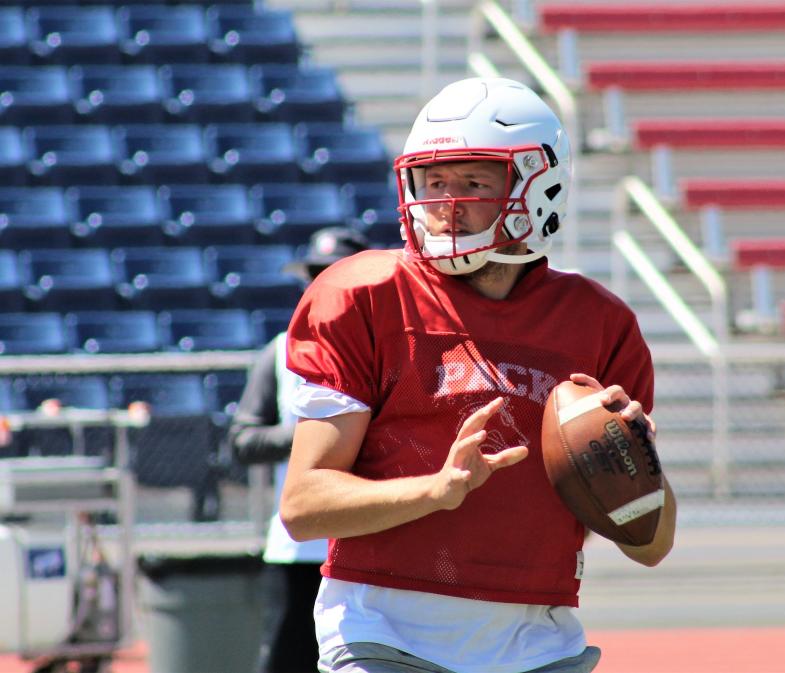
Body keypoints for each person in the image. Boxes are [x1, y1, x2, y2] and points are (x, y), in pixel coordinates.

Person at [281, 77, 677, 673]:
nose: (446, 203)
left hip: (539, 641)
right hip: (385, 630)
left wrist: (626, 460)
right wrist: (435, 491)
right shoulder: (363, 295)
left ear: (536, 186)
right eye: (434, 181)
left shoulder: (599, 323)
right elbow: (304, 504)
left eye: (473, 181)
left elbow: (651, 545)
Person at [229, 226, 370, 673]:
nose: (321, 283)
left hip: (370, 546)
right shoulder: (279, 351)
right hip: (297, 548)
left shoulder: (391, 350)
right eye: (315, 274)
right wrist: (314, 433)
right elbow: (242, 440)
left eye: (333, 273)